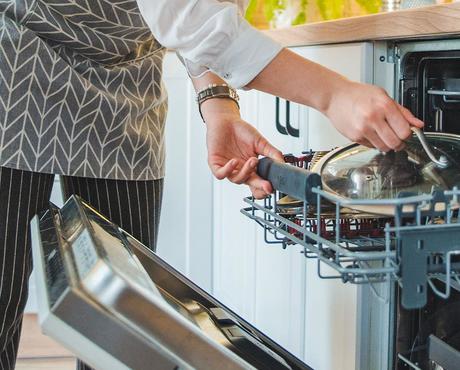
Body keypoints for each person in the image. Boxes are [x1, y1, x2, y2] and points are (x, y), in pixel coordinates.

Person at [0, 0, 423, 369]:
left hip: (125, 86)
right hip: (19, 63)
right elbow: (189, 16)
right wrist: (333, 94)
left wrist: (218, 106)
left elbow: (204, 15)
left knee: (123, 313)